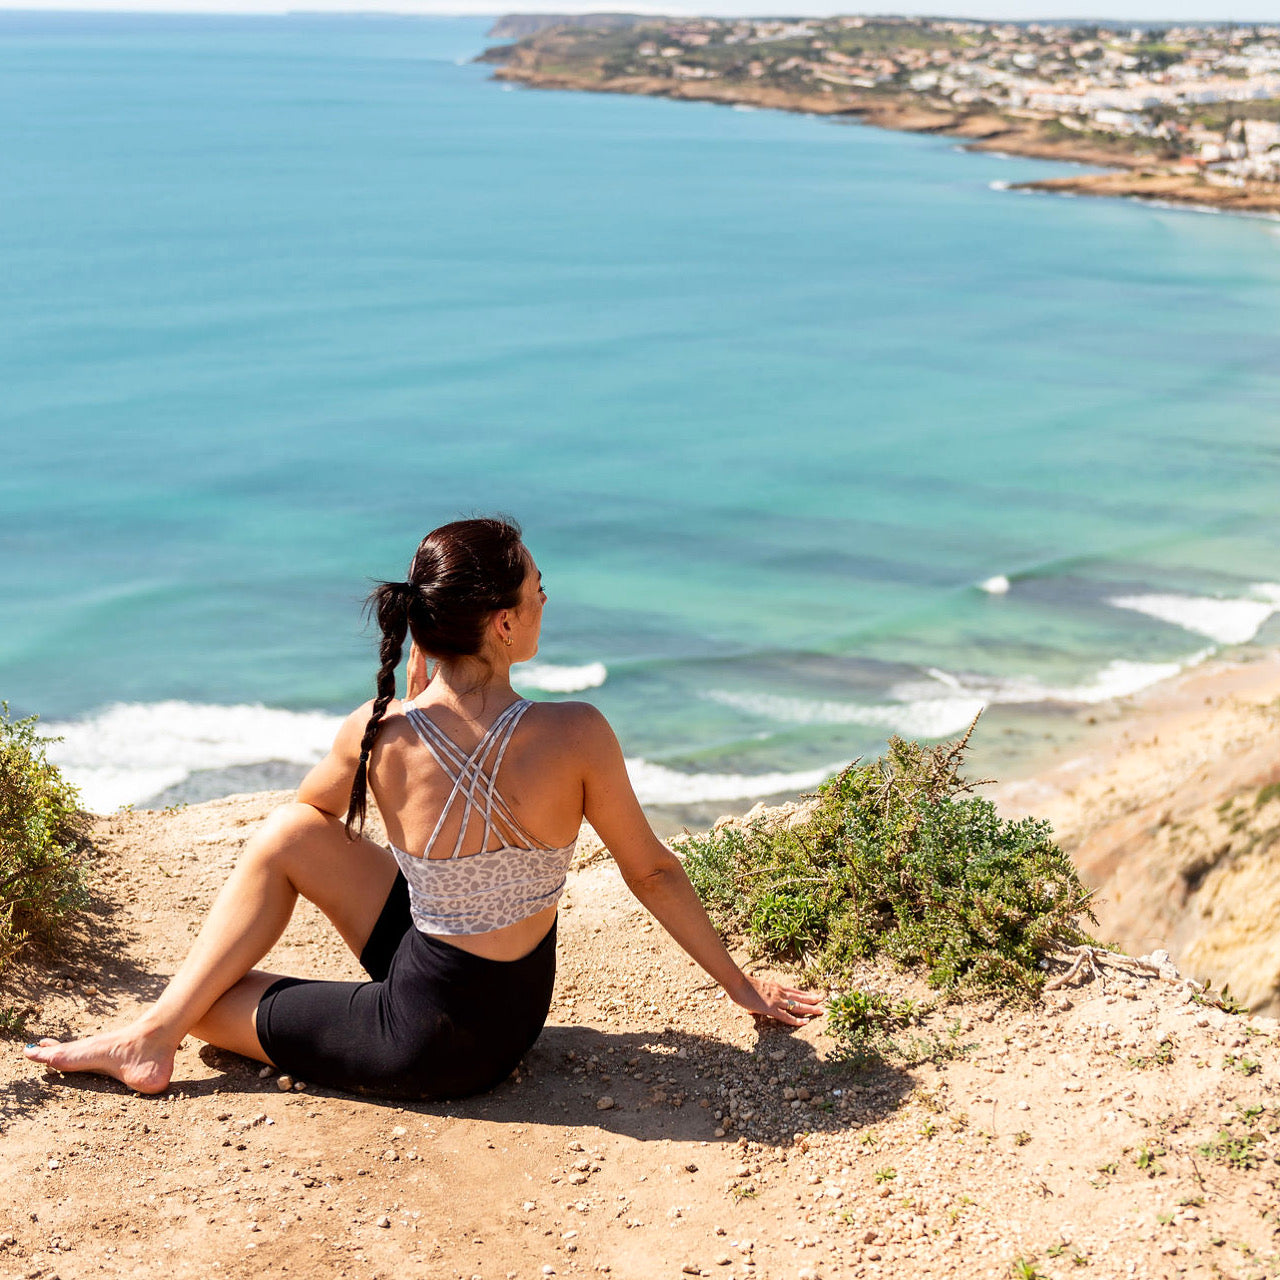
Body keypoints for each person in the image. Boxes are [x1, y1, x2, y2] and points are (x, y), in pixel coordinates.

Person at [25, 517, 823, 1099]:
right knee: (277, 868)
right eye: (539, 589)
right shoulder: (577, 733)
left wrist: (406, 714)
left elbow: (309, 823)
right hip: (514, 1008)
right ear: (505, 622)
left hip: (430, 1043)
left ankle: (151, 1037)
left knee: (207, 1002)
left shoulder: (377, 734)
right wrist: (738, 986)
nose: (547, 597)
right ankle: (151, 1037)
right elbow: (649, 871)